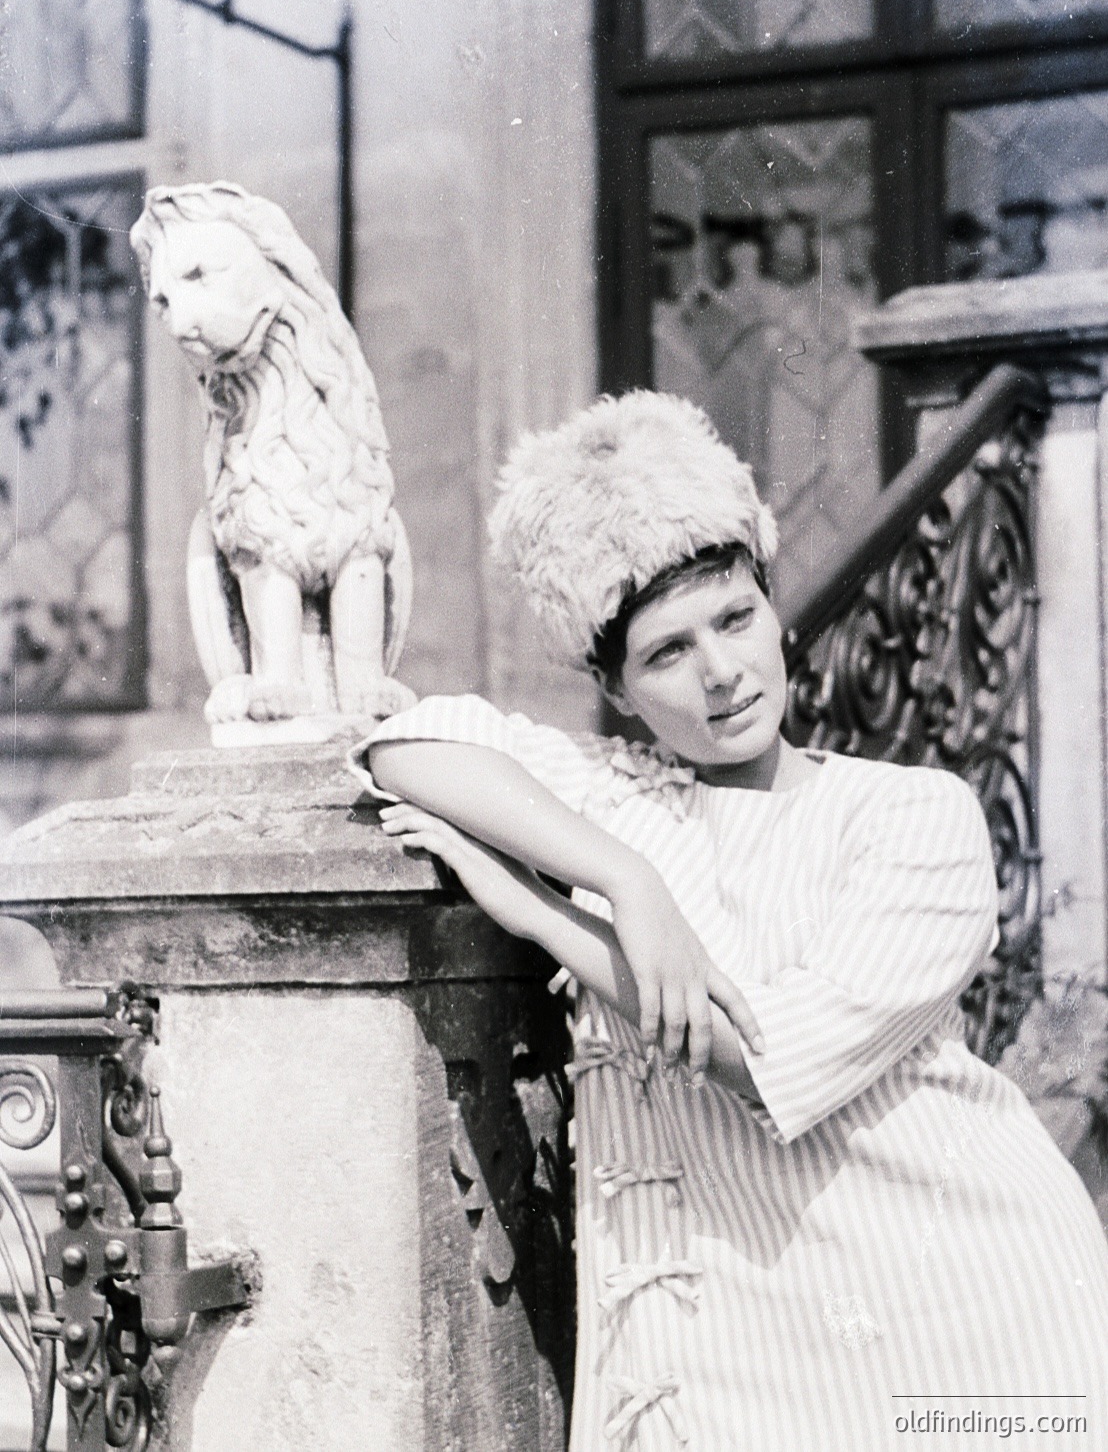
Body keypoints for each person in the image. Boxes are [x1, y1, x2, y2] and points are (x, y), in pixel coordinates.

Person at [348, 391, 1108, 1451]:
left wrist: (538, 907)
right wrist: (625, 878)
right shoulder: (617, 801)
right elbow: (406, 741)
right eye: (665, 653)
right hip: (731, 1348)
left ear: (771, 607)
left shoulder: (913, 818)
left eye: (736, 618)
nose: (719, 670)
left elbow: (764, 1059)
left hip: (965, 1312)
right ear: (613, 688)